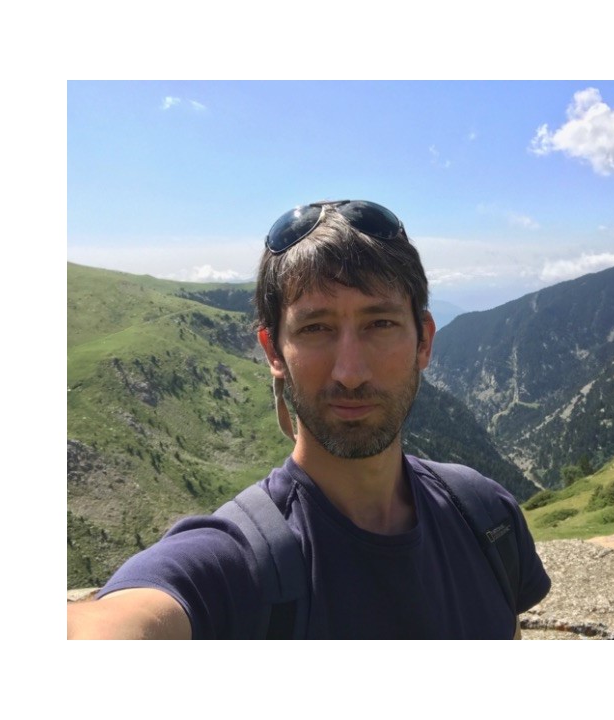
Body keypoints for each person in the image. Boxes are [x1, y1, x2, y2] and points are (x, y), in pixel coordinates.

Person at [67, 200, 551, 639]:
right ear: (273, 351)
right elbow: (122, 622)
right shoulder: (236, 561)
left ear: (423, 341)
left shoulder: (488, 515)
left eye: (379, 324)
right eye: (316, 328)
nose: (350, 372)